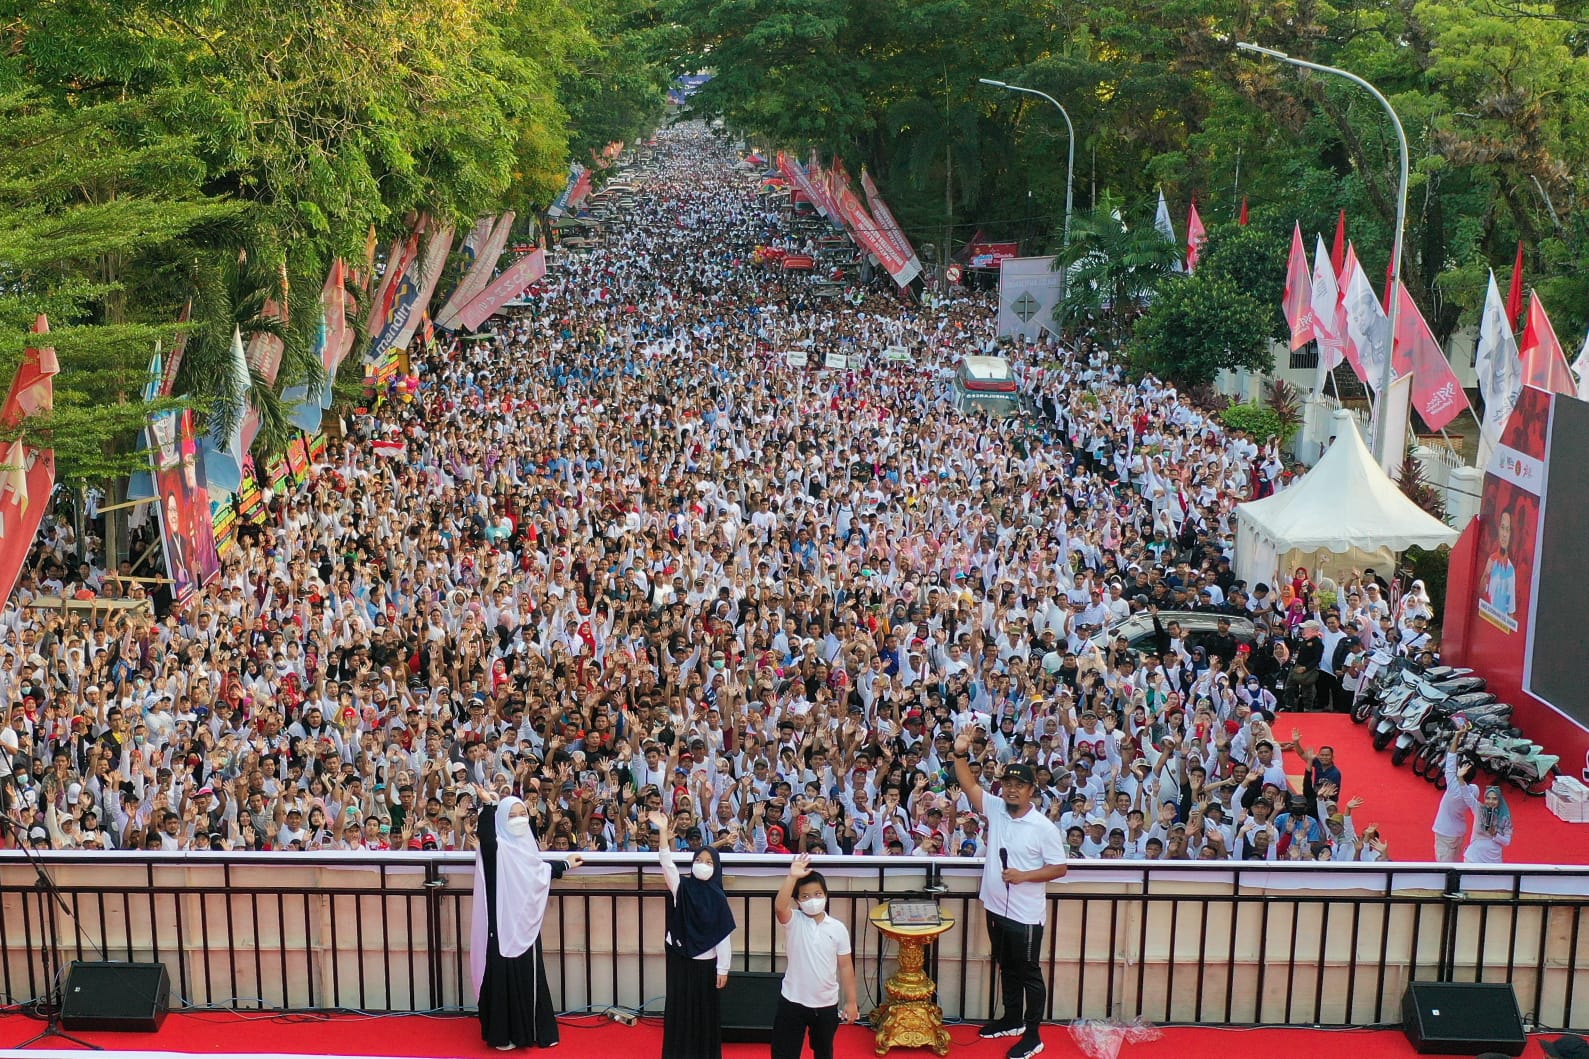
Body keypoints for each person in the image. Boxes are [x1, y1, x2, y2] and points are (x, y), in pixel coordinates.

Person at [954, 729, 1067, 1059]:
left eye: (1020, 785)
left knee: (1028, 973)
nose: (1013, 789)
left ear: (1032, 790)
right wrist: (961, 754)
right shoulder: (996, 808)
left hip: (1025, 914)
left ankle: (1033, 1035)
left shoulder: (1043, 827)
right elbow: (968, 785)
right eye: (1008, 783)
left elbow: (1059, 868)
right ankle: (1011, 1019)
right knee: (1006, 965)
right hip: (994, 907)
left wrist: (1023, 876)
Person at [471, 794, 583, 1050]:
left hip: (525, 925)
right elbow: (487, 838)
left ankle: (533, 1031)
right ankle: (503, 1034)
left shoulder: (526, 849)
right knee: (502, 977)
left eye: (523, 815)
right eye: (511, 816)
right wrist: (488, 806)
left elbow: (538, 870)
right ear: (501, 819)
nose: (519, 820)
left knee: (530, 974)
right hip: (499, 926)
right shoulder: (495, 849)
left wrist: (565, 863)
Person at [651, 811, 734, 1059]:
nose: (704, 865)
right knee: (679, 1010)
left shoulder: (719, 898)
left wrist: (723, 968)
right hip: (680, 959)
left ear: (716, 867)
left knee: (703, 1013)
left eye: (710, 862)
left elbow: (723, 934)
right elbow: (666, 863)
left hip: (706, 965)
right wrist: (663, 833)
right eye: (700, 860)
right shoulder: (682, 887)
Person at [771, 854, 858, 1059]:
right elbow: (779, 907)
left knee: (823, 1051)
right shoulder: (794, 921)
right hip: (793, 1000)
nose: (812, 900)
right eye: (805, 896)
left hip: (826, 1004)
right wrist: (792, 877)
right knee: (784, 1052)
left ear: (826, 895)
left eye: (818, 894)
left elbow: (845, 966)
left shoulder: (837, 928)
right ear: (798, 901)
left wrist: (852, 1001)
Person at [1433, 725, 1479, 862]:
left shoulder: (1454, 789)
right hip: (1459, 831)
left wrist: (1457, 737)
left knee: (1444, 866)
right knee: (1457, 863)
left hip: (1445, 832)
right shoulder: (1474, 790)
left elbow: (1451, 760)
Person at [1463, 784, 1514, 864]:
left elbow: (1507, 841)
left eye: (1494, 799)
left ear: (1499, 800)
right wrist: (1460, 779)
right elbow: (1466, 796)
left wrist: (1495, 834)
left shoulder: (1505, 818)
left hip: (1493, 860)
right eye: (1488, 798)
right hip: (1474, 858)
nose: (1490, 801)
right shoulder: (1479, 809)